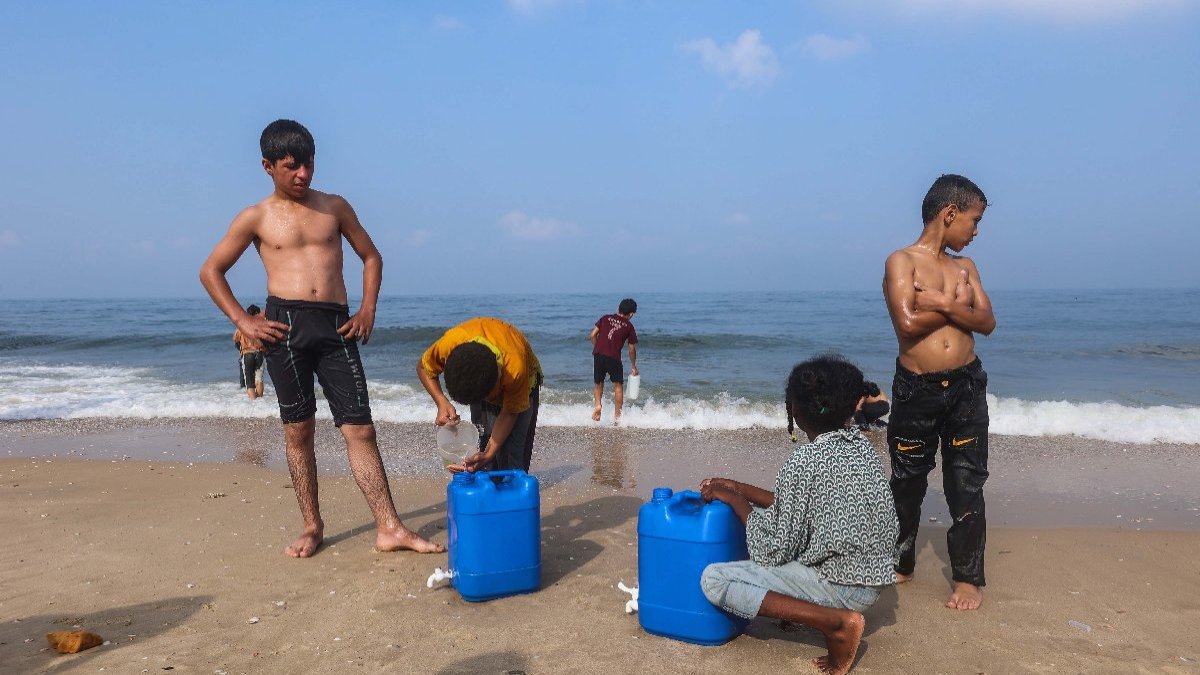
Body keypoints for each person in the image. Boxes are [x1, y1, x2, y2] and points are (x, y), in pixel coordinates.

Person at [199, 119, 443, 559]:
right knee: (299, 433)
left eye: (309, 164)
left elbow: (371, 256)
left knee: (361, 429)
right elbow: (210, 270)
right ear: (267, 166)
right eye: (292, 167)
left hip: (335, 326)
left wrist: (367, 308)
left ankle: (389, 526)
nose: (303, 175)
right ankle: (312, 525)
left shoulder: (334, 207)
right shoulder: (255, 217)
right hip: (284, 328)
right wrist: (244, 321)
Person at [699, 355, 898, 675]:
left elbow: (772, 549)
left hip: (843, 590)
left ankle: (835, 624)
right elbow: (804, 505)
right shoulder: (860, 446)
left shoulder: (805, 460)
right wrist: (738, 487)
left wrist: (735, 502)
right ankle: (814, 609)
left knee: (714, 580)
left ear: (794, 409)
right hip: (871, 582)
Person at [882, 173, 996, 610]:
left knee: (966, 480)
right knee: (907, 480)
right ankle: (900, 560)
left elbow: (986, 323)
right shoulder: (902, 262)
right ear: (949, 214)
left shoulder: (965, 268)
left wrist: (944, 303)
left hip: (967, 386)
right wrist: (962, 307)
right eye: (973, 220)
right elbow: (907, 324)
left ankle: (967, 578)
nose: (975, 230)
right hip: (917, 389)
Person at [417, 317, 543, 473]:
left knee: (513, 454)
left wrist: (490, 453)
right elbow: (424, 368)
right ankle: (489, 485)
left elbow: (510, 412)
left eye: (488, 397)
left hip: (525, 384)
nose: (487, 401)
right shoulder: (450, 344)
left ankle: (511, 490)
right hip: (480, 377)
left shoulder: (515, 368)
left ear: (499, 377)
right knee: (485, 442)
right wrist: (441, 401)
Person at [589, 298, 639, 423]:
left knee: (598, 382)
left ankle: (598, 405)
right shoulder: (629, 326)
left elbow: (592, 335)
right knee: (618, 386)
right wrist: (633, 366)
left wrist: (597, 348)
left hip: (599, 354)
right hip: (614, 358)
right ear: (631, 314)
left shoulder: (605, 318)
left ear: (618, 308)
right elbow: (631, 349)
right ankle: (617, 418)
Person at [233, 304, 267, 400]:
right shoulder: (262, 326)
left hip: (247, 354)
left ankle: (253, 405)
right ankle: (260, 403)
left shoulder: (242, 327)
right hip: (259, 354)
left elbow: (236, 340)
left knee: (249, 382)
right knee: (259, 380)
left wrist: (241, 349)